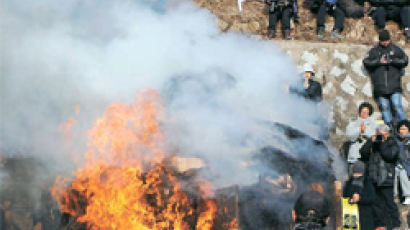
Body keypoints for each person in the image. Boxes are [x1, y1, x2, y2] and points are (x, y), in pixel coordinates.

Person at [363, 29, 408, 130]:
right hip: (380, 87)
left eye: (387, 40)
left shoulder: (396, 49)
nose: (385, 42)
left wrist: (392, 61)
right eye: (383, 41)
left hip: (394, 85)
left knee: (397, 106)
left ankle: (404, 127)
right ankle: (390, 129)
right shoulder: (374, 51)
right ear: (380, 40)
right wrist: (379, 62)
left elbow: (405, 60)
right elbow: (366, 62)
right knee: (385, 108)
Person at [360, 123, 401, 229]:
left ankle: (395, 225)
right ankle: (380, 225)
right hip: (373, 177)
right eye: (378, 134)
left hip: (386, 178)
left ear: (387, 134)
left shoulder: (393, 143)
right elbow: (363, 153)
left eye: (382, 134)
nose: (380, 136)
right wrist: (370, 141)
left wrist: (383, 143)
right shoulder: (373, 143)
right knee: (376, 203)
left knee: (389, 203)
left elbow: (389, 155)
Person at [343, 161, 376, 230]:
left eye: (359, 173)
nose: (357, 175)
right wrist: (351, 199)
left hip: (365, 216)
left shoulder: (367, 182)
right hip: (351, 214)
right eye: (355, 173)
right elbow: (344, 195)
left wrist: (360, 198)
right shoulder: (349, 182)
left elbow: (372, 198)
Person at [345, 102, 378, 174]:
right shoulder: (352, 124)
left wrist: (364, 130)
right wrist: (359, 130)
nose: (364, 114)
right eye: (363, 112)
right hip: (354, 158)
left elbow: (374, 136)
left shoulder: (373, 125)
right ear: (359, 112)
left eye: (367, 112)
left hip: (367, 158)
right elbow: (349, 137)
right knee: (353, 181)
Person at [394, 119, 410, 205]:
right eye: (401, 129)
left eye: (404, 129)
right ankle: (394, 195)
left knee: (405, 174)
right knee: (392, 176)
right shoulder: (395, 139)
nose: (402, 131)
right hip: (396, 163)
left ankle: (408, 196)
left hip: (407, 164)